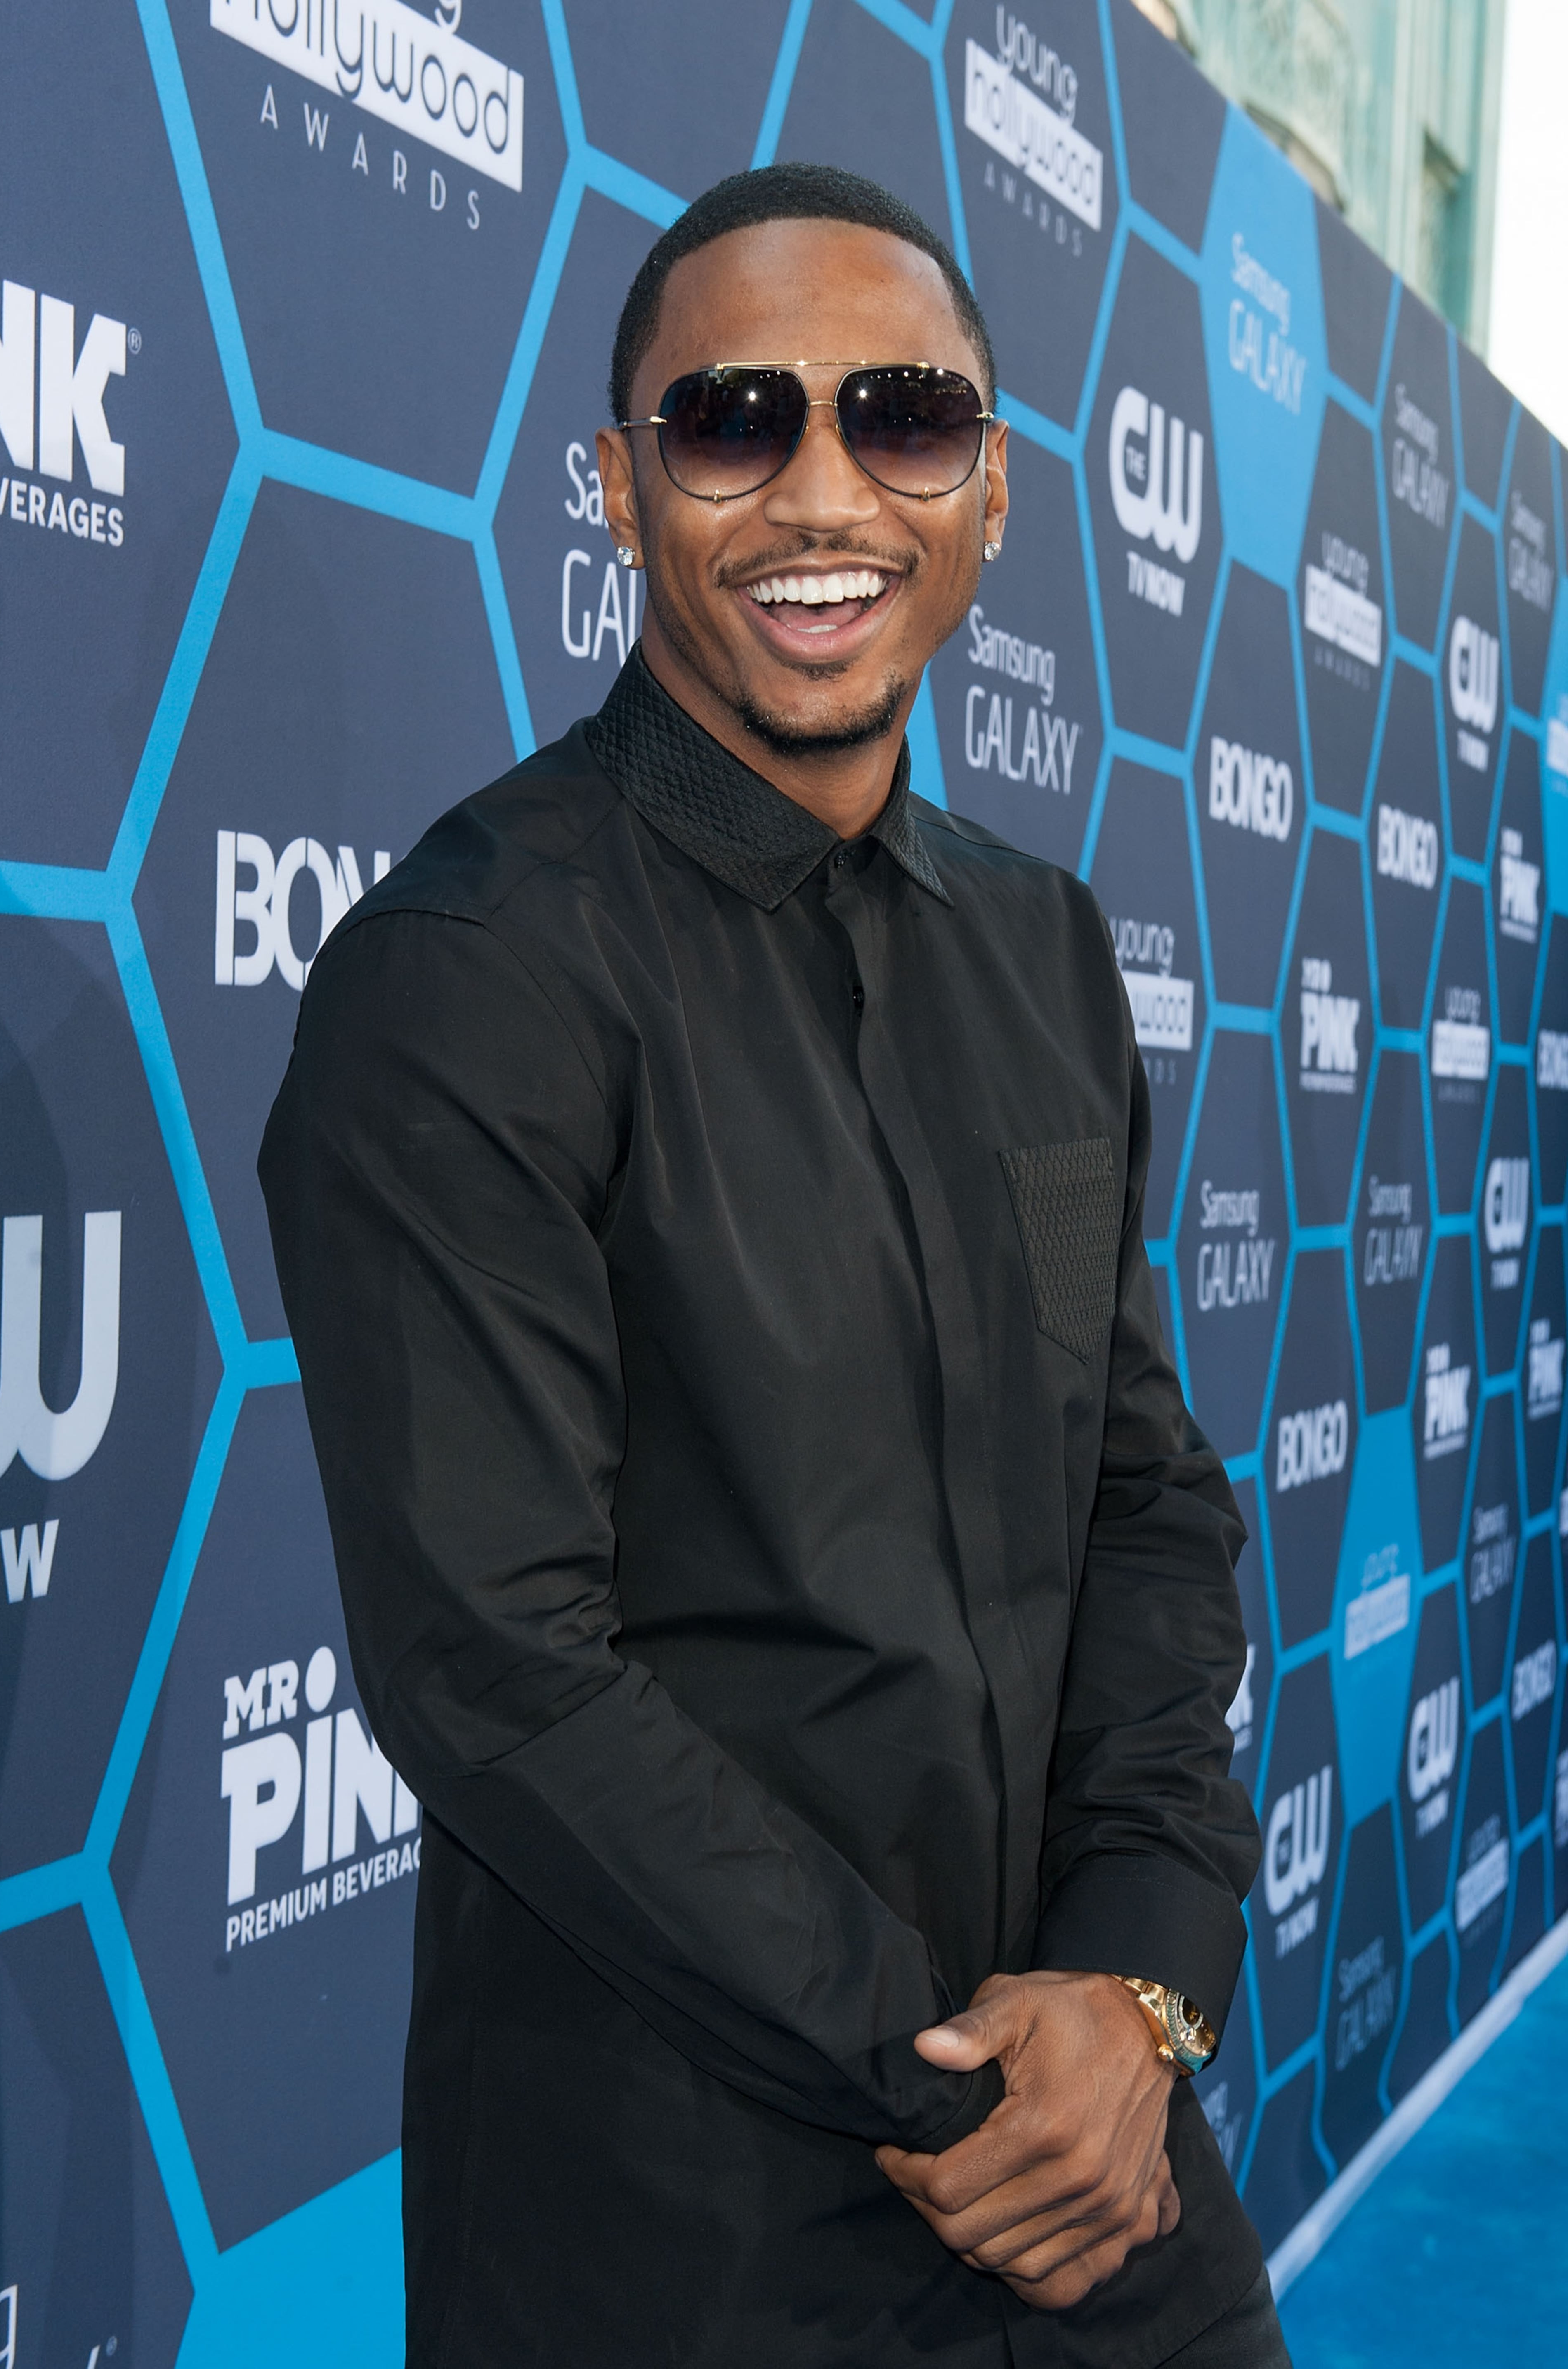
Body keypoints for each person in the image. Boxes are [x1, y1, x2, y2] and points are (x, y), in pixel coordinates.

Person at [260, 164, 1288, 2369]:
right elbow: (498, 1670)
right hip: (685, 2218)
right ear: (617, 490)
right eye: (732, 423)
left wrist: (1136, 1981)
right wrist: (954, 2074)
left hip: (1101, 2154)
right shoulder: (465, 979)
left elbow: (1140, 1492)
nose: (823, 494)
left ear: (994, 493)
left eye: (903, 418)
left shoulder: (1046, 949)